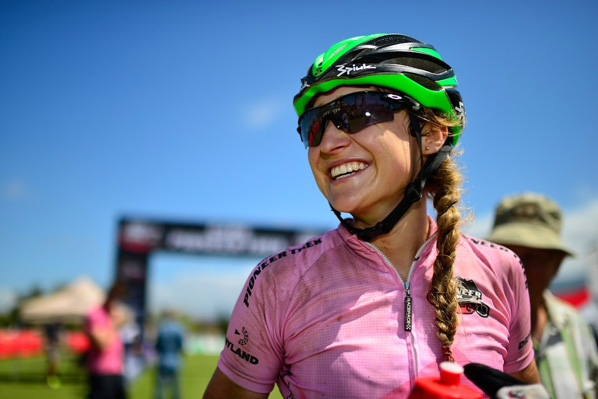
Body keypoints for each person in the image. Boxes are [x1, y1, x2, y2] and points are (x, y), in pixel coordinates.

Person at [203, 33, 540, 399]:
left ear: (430, 133)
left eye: (358, 111)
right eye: (314, 125)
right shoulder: (278, 282)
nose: (327, 145)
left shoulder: (502, 269)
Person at [487, 192, 598, 398]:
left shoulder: (576, 327)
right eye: (507, 253)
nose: (517, 267)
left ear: (556, 265)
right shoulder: (470, 327)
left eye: (533, 258)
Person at [84, 282, 128, 399]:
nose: (117, 300)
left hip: (117, 372)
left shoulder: (113, 315)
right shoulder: (95, 314)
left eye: (120, 296)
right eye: (115, 295)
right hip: (101, 372)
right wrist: (114, 325)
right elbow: (102, 345)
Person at [154, 310, 185, 399]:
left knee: (160, 389)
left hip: (163, 360)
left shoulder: (162, 328)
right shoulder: (178, 329)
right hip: (175, 361)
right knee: (176, 389)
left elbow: (157, 345)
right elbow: (181, 346)